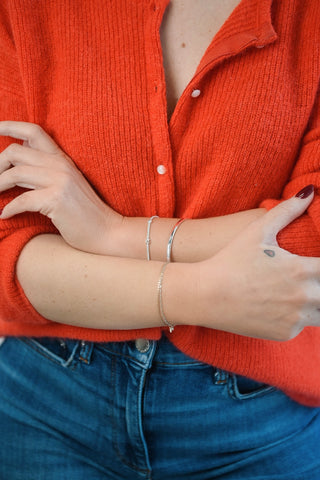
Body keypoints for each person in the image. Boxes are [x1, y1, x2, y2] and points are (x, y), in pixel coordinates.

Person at [0, 0, 320, 478]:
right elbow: (7, 240)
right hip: (47, 398)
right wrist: (204, 294)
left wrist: (115, 233)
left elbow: (311, 237)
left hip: (258, 419)